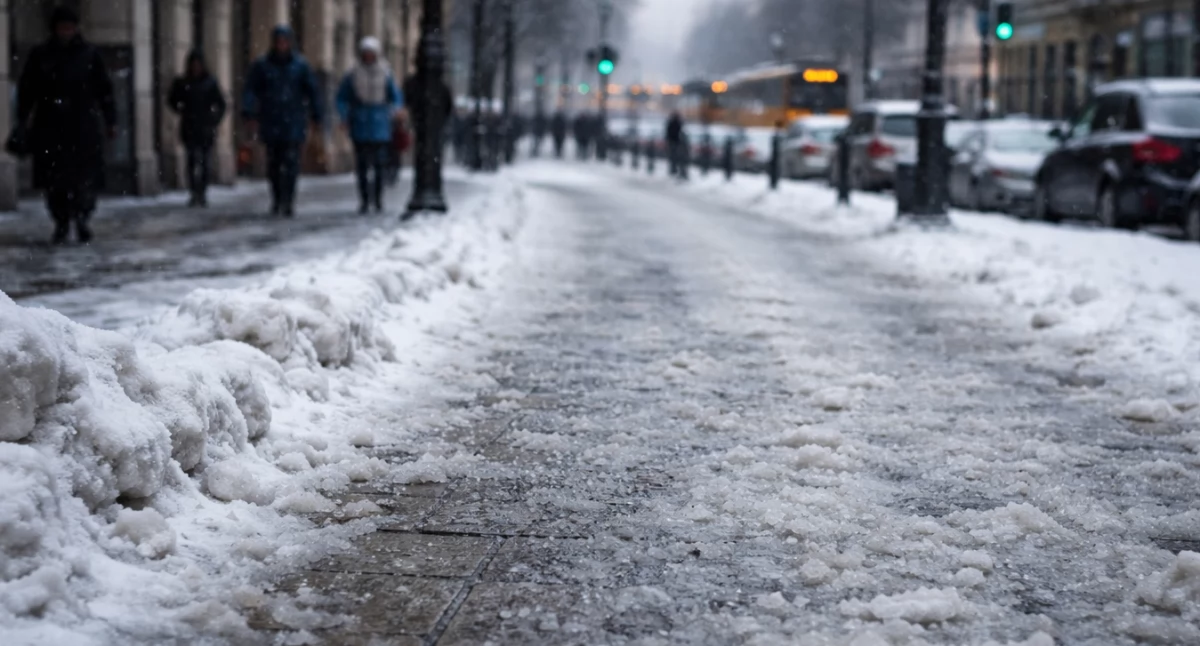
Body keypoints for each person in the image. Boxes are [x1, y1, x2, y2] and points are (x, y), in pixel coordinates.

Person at [17, 6, 115, 244]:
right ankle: (61, 221)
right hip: (50, 128)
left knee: (84, 179)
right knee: (55, 182)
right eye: (62, 27)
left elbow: (105, 91)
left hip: (82, 127)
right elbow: (27, 91)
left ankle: (82, 217)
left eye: (70, 27)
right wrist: (22, 120)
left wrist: (110, 120)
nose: (66, 32)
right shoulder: (41, 55)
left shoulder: (89, 54)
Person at [242, 25, 322, 217]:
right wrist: (249, 112)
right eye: (279, 41)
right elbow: (251, 90)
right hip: (271, 120)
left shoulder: (300, 66)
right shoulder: (262, 65)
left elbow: (312, 92)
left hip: (293, 121)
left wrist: (316, 115)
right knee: (274, 164)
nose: (282, 45)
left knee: (291, 162)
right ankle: (277, 198)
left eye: (285, 41)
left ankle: (288, 200)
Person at [336, 37, 402, 214]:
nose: (368, 56)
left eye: (371, 53)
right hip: (360, 123)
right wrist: (344, 115)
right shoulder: (353, 73)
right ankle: (365, 199)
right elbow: (342, 97)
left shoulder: (385, 72)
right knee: (363, 165)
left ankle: (378, 199)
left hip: (380, 124)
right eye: (366, 53)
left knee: (380, 165)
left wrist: (394, 111)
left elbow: (395, 95)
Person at [168, 50, 227, 207]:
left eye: (198, 64)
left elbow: (221, 104)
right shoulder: (182, 83)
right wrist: (181, 108)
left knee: (205, 162)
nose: (196, 67)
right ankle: (194, 192)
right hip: (189, 127)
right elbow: (172, 100)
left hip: (205, 128)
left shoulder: (210, 82)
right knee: (192, 160)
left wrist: (214, 119)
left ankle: (202, 192)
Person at [665, 111, 686, 177]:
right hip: (675, 141)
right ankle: (674, 169)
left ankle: (673, 169)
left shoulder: (672, 122)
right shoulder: (675, 123)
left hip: (674, 141)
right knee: (674, 156)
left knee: (674, 156)